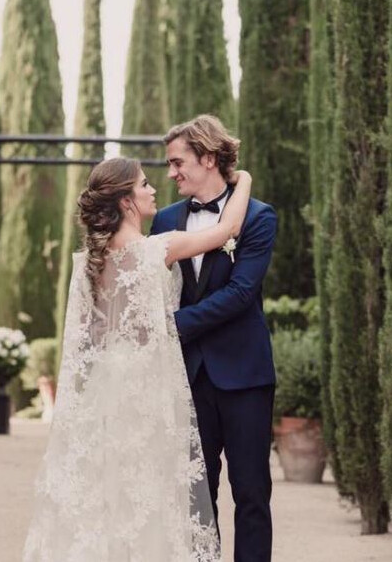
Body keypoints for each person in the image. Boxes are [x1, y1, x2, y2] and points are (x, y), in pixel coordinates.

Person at [22, 157, 252, 561]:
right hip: (149, 383)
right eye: (144, 185)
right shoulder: (158, 249)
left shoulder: (87, 264)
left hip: (105, 387)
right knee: (151, 490)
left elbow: (89, 339)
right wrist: (244, 178)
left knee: (107, 494)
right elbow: (228, 229)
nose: (152, 190)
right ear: (127, 201)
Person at [150, 114, 277, 562]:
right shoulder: (165, 220)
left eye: (177, 162)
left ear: (207, 158)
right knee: (194, 499)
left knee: (252, 495)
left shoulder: (260, 217)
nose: (171, 173)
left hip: (245, 376)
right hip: (187, 377)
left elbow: (242, 293)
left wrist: (173, 326)